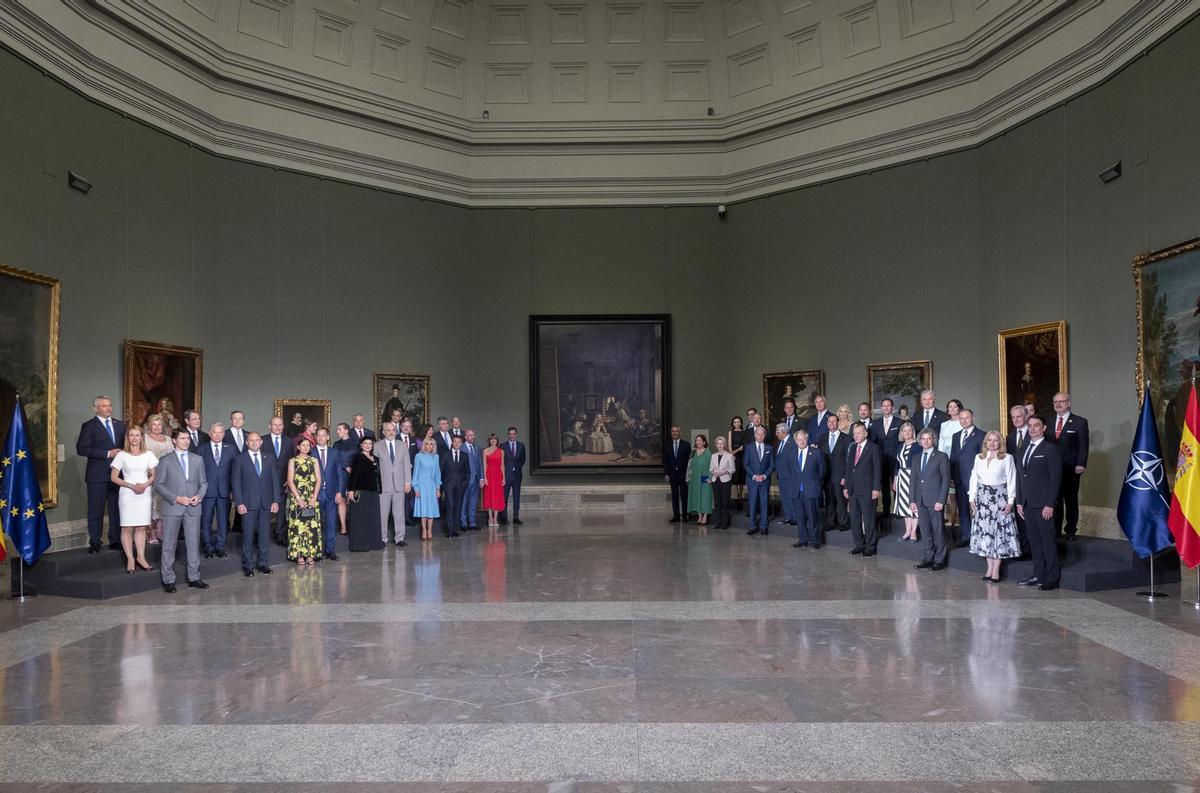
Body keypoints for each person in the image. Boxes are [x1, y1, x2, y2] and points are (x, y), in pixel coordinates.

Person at [153, 428, 208, 593]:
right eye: (183, 438)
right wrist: (176, 498)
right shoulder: (165, 460)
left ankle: (194, 577)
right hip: (172, 507)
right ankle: (168, 580)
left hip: (193, 507)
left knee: (193, 544)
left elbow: (204, 483)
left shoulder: (197, 459)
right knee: (169, 545)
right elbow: (158, 485)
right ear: (174, 440)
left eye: (188, 438)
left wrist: (199, 496)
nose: (186, 441)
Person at [1016, 416, 1063, 590]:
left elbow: (1055, 479)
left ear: (1044, 428)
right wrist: (1020, 502)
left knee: (1047, 541)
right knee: (1034, 542)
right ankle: (1038, 574)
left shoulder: (1051, 449)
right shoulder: (1023, 449)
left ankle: (1052, 577)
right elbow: (1021, 478)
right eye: (1030, 426)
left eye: (1037, 426)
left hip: (1044, 505)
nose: (1033, 429)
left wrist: (1050, 503)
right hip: (1027, 504)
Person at [76, 395, 126, 553]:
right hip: (97, 475)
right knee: (96, 509)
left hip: (117, 475)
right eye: (104, 406)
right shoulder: (89, 426)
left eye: (110, 405)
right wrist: (107, 453)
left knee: (116, 509)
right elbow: (82, 449)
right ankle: (95, 541)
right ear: (95, 408)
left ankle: (115, 539)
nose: (108, 408)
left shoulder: (120, 425)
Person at [969, 430, 1020, 583]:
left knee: (998, 534)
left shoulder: (1007, 458)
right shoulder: (979, 457)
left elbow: (1012, 479)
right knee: (985, 534)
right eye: (989, 440)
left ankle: (996, 570)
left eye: (995, 440)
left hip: (999, 500)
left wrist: (1011, 501)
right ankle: (989, 568)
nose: (992, 443)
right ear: (985, 443)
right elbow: (974, 478)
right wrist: (972, 497)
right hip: (983, 500)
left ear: (1000, 443)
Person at [108, 425, 156, 573]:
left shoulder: (148, 454)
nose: (134, 438)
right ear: (127, 438)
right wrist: (131, 485)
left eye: (137, 435)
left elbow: (153, 475)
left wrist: (144, 485)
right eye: (131, 435)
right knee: (127, 527)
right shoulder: (121, 455)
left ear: (142, 437)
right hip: (128, 494)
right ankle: (130, 558)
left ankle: (141, 557)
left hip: (144, 493)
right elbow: (114, 478)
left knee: (141, 527)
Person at [232, 432, 279, 576]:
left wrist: (276, 500)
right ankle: (248, 566)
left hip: (265, 503)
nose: (254, 443)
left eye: (257, 440)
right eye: (251, 440)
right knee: (248, 536)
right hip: (248, 504)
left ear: (261, 442)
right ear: (247, 443)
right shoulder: (240, 459)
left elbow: (274, 481)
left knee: (265, 535)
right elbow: (235, 483)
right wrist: (239, 503)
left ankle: (263, 563)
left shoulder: (269, 458)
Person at [1047, 392, 1089, 540]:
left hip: (1071, 468)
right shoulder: (1048, 421)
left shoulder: (1080, 422)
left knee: (1071, 500)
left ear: (1068, 403)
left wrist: (1081, 463)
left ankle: (1071, 530)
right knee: (1055, 500)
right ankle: (1056, 531)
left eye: (1062, 401)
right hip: (1053, 469)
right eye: (1055, 402)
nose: (1058, 404)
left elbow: (1083, 446)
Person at [910, 428, 951, 571]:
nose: (926, 441)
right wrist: (912, 500)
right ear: (919, 441)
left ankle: (940, 559)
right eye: (923, 439)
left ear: (933, 440)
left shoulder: (941, 456)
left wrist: (941, 500)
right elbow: (913, 480)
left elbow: (946, 479)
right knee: (925, 530)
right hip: (919, 500)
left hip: (935, 500)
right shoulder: (916, 458)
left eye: (929, 438)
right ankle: (928, 557)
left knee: (937, 530)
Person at [843, 422, 881, 556]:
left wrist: (876, 488)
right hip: (853, 490)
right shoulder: (852, 448)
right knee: (854, 518)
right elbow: (849, 469)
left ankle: (870, 546)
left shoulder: (873, 448)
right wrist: (846, 486)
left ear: (865, 433)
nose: (856, 435)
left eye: (858, 433)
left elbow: (877, 470)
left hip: (867, 490)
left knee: (869, 519)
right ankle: (859, 544)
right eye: (854, 433)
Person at [198, 422, 234, 559]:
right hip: (207, 491)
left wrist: (233, 491)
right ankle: (208, 547)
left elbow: (233, 472)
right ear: (210, 433)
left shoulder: (230, 449)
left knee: (223, 521)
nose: (218, 435)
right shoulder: (202, 450)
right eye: (215, 432)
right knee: (206, 521)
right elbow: (198, 472)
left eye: (220, 432)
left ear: (224, 434)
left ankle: (220, 547)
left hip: (225, 491)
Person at [949, 408, 984, 547]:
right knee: (962, 509)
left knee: (978, 509)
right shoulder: (956, 436)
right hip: (958, 478)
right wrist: (951, 476)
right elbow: (953, 457)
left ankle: (980, 537)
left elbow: (984, 459)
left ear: (973, 418)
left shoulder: (981, 435)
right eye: (961, 418)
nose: (964, 420)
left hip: (975, 479)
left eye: (967, 417)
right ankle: (966, 537)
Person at [286, 437, 322, 565]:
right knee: (297, 527)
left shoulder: (314, 460)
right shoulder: (292, 461)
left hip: (312, 496)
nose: (305, 447)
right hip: (297, 497)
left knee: (311, 526)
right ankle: (299, 555)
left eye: (308, 445)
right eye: (303, 445)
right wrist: (299, 499)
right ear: (298, 447)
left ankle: (311, 554)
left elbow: (318, 480)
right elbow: (290, 481)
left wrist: (314, 498)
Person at [345, 437, 383, 552]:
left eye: (370, 443)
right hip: (361, 491)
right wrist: (351, 490)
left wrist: (380, 489)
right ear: (361, 445)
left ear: (372, 445)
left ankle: (373, 544)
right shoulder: (357, 457)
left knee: (373, 518)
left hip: (373, 492)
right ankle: (360, 545)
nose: (367, 445)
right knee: (361, 518)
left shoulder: (376, 459)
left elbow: (378, 476)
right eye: (365, 443)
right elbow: (354, 475)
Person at [377, 421, 412, 546]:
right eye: (388, 430)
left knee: (399, 513)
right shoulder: (377, 446)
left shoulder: (402, 445)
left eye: (393, 430)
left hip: (399, 484)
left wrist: (408, 482)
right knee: (383, 514)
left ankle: (400, 538)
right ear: (383, 432)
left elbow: (406, 465)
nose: (391, 432)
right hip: (384, 485)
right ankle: (383, 538)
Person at [790, 428, 825, 549]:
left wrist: (814, 482)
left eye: (804, 439)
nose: (801, 441)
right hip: (797, 491)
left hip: (811, 490)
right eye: (799, 439)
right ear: (795, 441)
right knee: (800, 517)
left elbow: (822, 471)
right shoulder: (792, 453)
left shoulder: (816, 452)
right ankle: (802, 539)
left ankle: (815, 540)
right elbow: (790, 472)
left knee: (812, 517)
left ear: (807, 439)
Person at [142, 413, 173, 544]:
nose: (156, 427)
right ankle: (151, 534)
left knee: (163, 504)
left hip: (167, 478)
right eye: (154, 424)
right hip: (150, 476)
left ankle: (160, 532)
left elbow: (173, 457)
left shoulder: (168, 439)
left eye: (159, 424)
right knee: (152, 504)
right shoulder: (144, 438)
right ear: (149, 426)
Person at [313, 427, 343, 559]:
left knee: (331, 522)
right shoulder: (311, 452)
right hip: (316, 493)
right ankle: (317, 551)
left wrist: (339, 492)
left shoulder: (335, 452)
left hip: (331, 492)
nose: (320, 438)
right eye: (318, 435)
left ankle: (330, 550)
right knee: (316, 523)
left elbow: (339, 474)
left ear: (328, 437)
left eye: (323, 435)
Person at [264, 415, 294, 544]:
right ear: (269, 426)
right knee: (264, 508)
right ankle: (262, 535)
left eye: (280, 425)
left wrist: (289, 479)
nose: (277, 427)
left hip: (283, 481)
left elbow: (292, 461)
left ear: (283, 426)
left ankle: (280, 535)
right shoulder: (262, 440)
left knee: (281, 509)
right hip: (265, 481)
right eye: (275, 425)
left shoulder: (289, 441)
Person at [871, 398, 902, 517]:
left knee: (896, 485)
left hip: (895, 459)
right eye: (884, 406)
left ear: (892, 407)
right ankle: (886, 511)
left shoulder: (899, 423)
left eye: (888, 405)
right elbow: (873, 442)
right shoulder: (875, 423)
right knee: (884, 486)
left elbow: (902, 442)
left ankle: (898, 510)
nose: (886, 407)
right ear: (881, 408)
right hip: (881, 459)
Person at [937, 399, 964, 527]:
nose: (952, 409)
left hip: (960, 459)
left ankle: (960, 517)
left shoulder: (963, 422)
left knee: (960, 490)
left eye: (955, 406)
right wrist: (940, 460)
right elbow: (941, 444)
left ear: (959, 408)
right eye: (950, 407)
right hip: (947, 459)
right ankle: (952, 517)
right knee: (950, 491)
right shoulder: (944, 424)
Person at [821, 413, 850, 531]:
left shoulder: (847, 438)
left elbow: (849, 459)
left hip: (840, 475)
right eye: (829, 422)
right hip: (827, 476)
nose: (831, 423)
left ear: (838, 423)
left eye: (834, 421)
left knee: (841, 500)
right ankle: (830, 522)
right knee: (829, 500)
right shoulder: (822, 438)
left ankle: (843, 522)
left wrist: (845, 476)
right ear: (827, 424)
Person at [744, 425, 774, 536]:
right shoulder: (749, 447)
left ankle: (764, 526)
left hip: (765, 481)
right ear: (755, 435)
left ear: (764, 436)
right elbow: (746, 464)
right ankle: (752, 526)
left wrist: (764, 476)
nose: (760, 436)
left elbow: (772, 465)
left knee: (764, 503)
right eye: (758, 434)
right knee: (752, 503)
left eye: (762, 434)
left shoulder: (769, 448)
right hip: (752, 480)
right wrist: (754, 476)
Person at [892, 421, 919, 542]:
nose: (907, 433)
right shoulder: (899, 446)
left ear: (913, 432)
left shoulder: (918, 445)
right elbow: (897, 465)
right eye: (905, 431)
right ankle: (907, 530)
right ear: (901, 433)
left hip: (913, 477)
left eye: (909, 431)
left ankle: (914, 531)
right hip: (901, 477)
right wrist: (895, 479)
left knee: (914, 504)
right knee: (903, 505)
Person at [412, 438, 443, 541]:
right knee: (423, 509)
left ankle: (429, 530)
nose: (429, 446)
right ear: (423, 445)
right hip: (421, 486)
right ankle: (424, 531)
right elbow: (415, 473)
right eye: (427, 444)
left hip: (432, 486)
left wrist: (438, 488)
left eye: (431, 444)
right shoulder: (418, 456)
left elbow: (438, 474)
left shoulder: (436, 457)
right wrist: (415, 488)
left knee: (431, 509)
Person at [442, 434, 470, 537]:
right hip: (449, 484)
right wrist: (442, 484)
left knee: (458, 506)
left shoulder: (465, 455)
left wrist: (465, 483)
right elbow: (441, 470)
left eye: (459, 442)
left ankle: (456, 529)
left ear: (461, 443)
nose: (457, 444)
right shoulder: (445, 454)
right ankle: (449, 529)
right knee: (450, 505)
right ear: (452, 442)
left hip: (460, 485)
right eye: (455, 442)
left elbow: (468, 471)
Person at [332, 422, 357, 536]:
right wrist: (345, 466)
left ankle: (355, 526)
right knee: (341, 500)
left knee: (354, 499)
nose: (337, 431)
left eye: (339, 429)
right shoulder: (336, 444)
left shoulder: (356, 443)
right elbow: (334, 459)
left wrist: (352, 467)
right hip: (341, 474)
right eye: (337, 430)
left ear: (346, 430)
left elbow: (358, 457)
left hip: (353, 474)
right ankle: (343, 526)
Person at [662, 425, 690, 522]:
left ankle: (685, 515)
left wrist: (688, 475)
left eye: (676, 431)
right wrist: (666, 473)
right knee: (674, 496)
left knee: (684, 495)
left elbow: (689, 461)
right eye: (673, 431)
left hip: (683, 475)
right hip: (672, 475)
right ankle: (676, 516)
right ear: (671, 433)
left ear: (679, 432)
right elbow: (665, 461)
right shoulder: (667, 445)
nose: (674, 433)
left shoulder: (686, 445)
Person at [773, 423, 798, 527]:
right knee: (784, 498)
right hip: (781, 476)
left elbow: (794, 461)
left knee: (791, 498)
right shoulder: (781, 442)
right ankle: (788, 517)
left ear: (783, 432)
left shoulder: (792, 442)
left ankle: (795, 518)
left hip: (789, 477)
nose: (776, 434)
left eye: (777, 432)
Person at [709, 434, 736, 530]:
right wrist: (714, 472)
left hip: (725, 480)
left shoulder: (729, 456)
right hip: (715, 480)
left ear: (724, 444)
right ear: (716, 445)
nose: (720, 445)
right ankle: (718, 522)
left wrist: (724, 471)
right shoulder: (713, 456)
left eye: (722, 443)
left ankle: (724, 523)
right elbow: (710, 468)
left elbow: (732, 469)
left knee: (725, 503)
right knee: (717, 503)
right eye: (718, 443)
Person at [686, 434, 713, 525]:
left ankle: (705, 516)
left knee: (705, 496)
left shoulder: (708, 452)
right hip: (694, 478)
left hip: (705, 477)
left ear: (704, 442)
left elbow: (711, 466)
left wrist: (710, 478)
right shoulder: (693, 452)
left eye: (700, 440)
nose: (698, 442)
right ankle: (699, 515)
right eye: (697, 440)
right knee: (696, 496)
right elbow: (689, 466)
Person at [501, 427, 526, 526]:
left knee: (517, 497)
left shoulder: (521, 446)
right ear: (508, 434)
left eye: (514, 434)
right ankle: (504, 518)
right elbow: (501, 461)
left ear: (516, 434)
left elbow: (523, 459)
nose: (512, 435)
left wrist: (517, 467)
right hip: (506, 476)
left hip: (517, 475)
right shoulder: (503, 446)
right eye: (510, 434)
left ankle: (516, 517)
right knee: (504, 498)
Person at [398, 418, 420, 527]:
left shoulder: (413, 440)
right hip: (397, 472)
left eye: (409, 426)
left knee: (407, 495)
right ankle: (397, 519)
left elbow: (415, 455)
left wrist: (410, 464)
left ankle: (406, 518)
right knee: (398, 496)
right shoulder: (395, 438)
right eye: (404, 426)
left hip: (410, 471)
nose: (406, 428)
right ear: (401, 427)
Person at [482, 433, 506, 527]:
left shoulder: (501, 451)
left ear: (497, 441)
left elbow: (502, 465)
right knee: (489, 496)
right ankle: (490, 518)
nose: (493, 441)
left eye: (495, 439)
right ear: (489, 441)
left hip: (498, 476)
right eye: (491, 439)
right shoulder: (485, 451)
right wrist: (485, 477)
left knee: (497, 497)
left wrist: (504, 478)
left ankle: (495, 518)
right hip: (489, 475)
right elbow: (484, 465)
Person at [462, 429, 483, 530]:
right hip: (466, 480)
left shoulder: (477, 448)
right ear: (465, 437)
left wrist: (482, 477)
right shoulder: (461, 447)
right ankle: (463, 523)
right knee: (464, 502)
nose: (472, 437)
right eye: (470, 435)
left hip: (476, 479)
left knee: (474, 502)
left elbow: (480, 463)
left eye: (473, 435)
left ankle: (472, 523)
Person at [727, 416, 746, 509]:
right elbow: (730, 447)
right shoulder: (731, 432)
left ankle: (740, 497)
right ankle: (734, 498)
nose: (737, 423)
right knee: (734, 476)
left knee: (741, 477)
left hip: (742, 456)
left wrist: (739, 450)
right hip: (734, 457)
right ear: (732, 424)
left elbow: (744, 446)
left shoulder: (744, 432)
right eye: (735, 422)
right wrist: (736, 451)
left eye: (738, 422)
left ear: (741, 423)